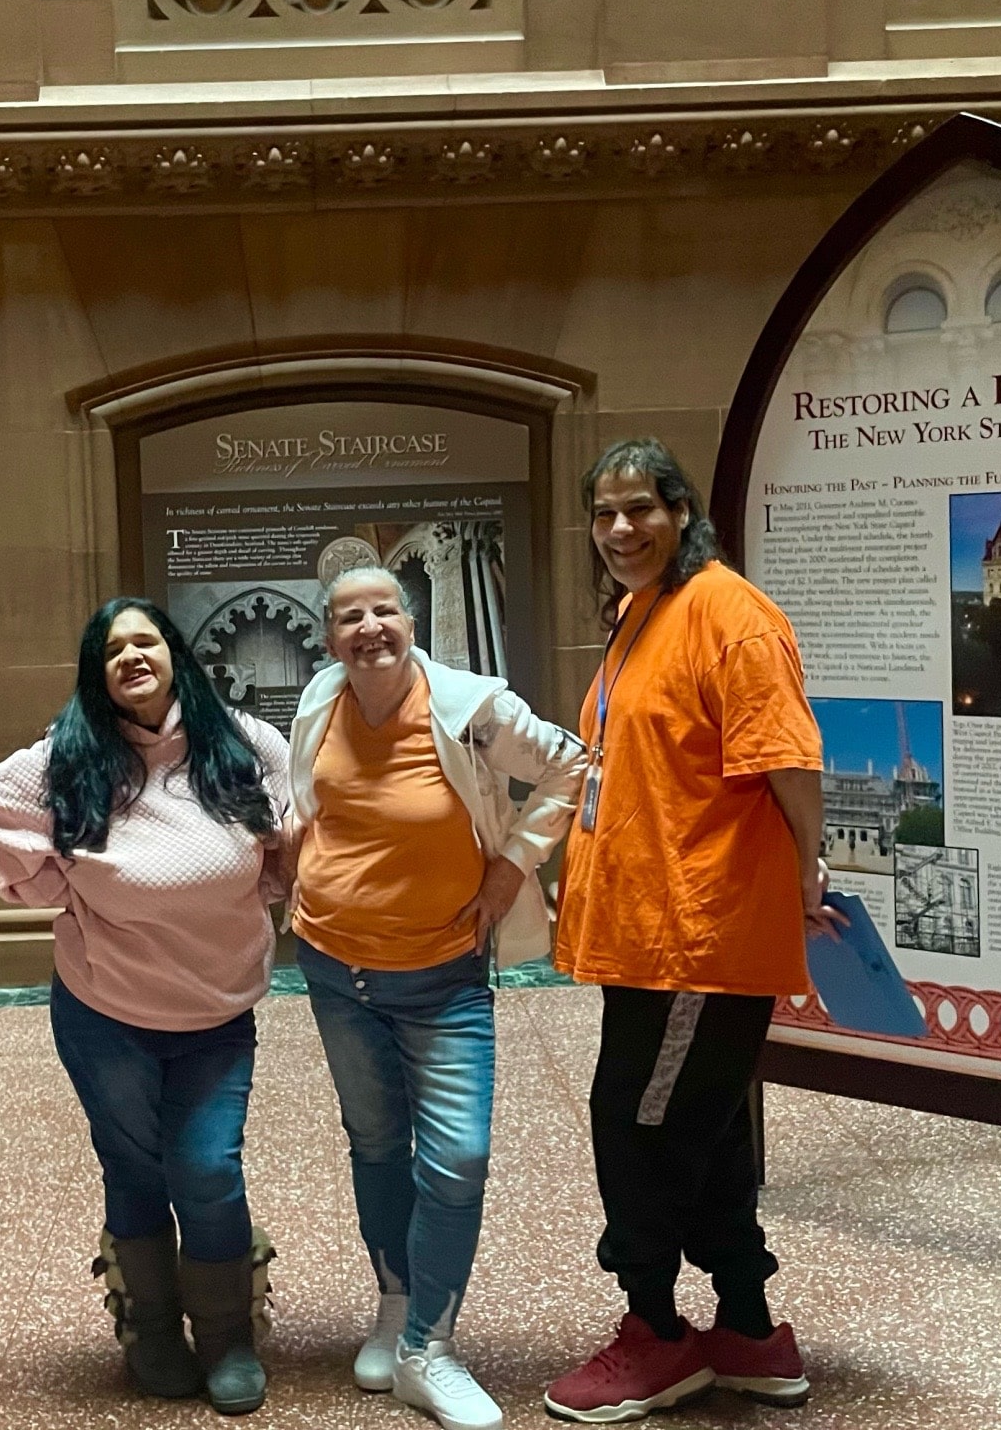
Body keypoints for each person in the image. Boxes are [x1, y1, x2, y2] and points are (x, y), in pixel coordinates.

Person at [542, 439, 839, 1422]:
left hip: (695, 937)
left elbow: (788, 759)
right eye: (604, 513)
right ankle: (747, 1326)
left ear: (681, 512)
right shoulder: (642, 612)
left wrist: (808, 868)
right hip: (649, 931)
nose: (620, 528)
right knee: (702, 1128)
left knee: (638, 1124)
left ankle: (656, 1333)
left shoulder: (727, 612)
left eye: (641, 507)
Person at [0, 597, 290, 1416]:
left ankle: (227, 1334)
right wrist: (56, 884)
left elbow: (291, 835)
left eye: (145, 642)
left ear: (175, 653)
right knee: (135, 1168)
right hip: (105, 1012)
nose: (132, 658)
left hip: (217, 1012)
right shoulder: (70, 755)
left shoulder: (244, 744)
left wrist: (261, 897)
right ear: (97, 673)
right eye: (113, 651)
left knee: (207, 1170)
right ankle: (151, 1328)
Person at [289, 564, 584, 1430]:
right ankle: (397, 1308)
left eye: (383, 610)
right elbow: (310, 804)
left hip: (443, 975)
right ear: (329, 637)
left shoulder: (470, 708)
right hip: (335, 969)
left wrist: (513, 865)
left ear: (410, 622)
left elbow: (570, 764)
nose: (369, 628)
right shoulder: (320, 700)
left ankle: (430, 1349)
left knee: (457, 1158)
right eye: (350, 617)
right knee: (377, 1144)